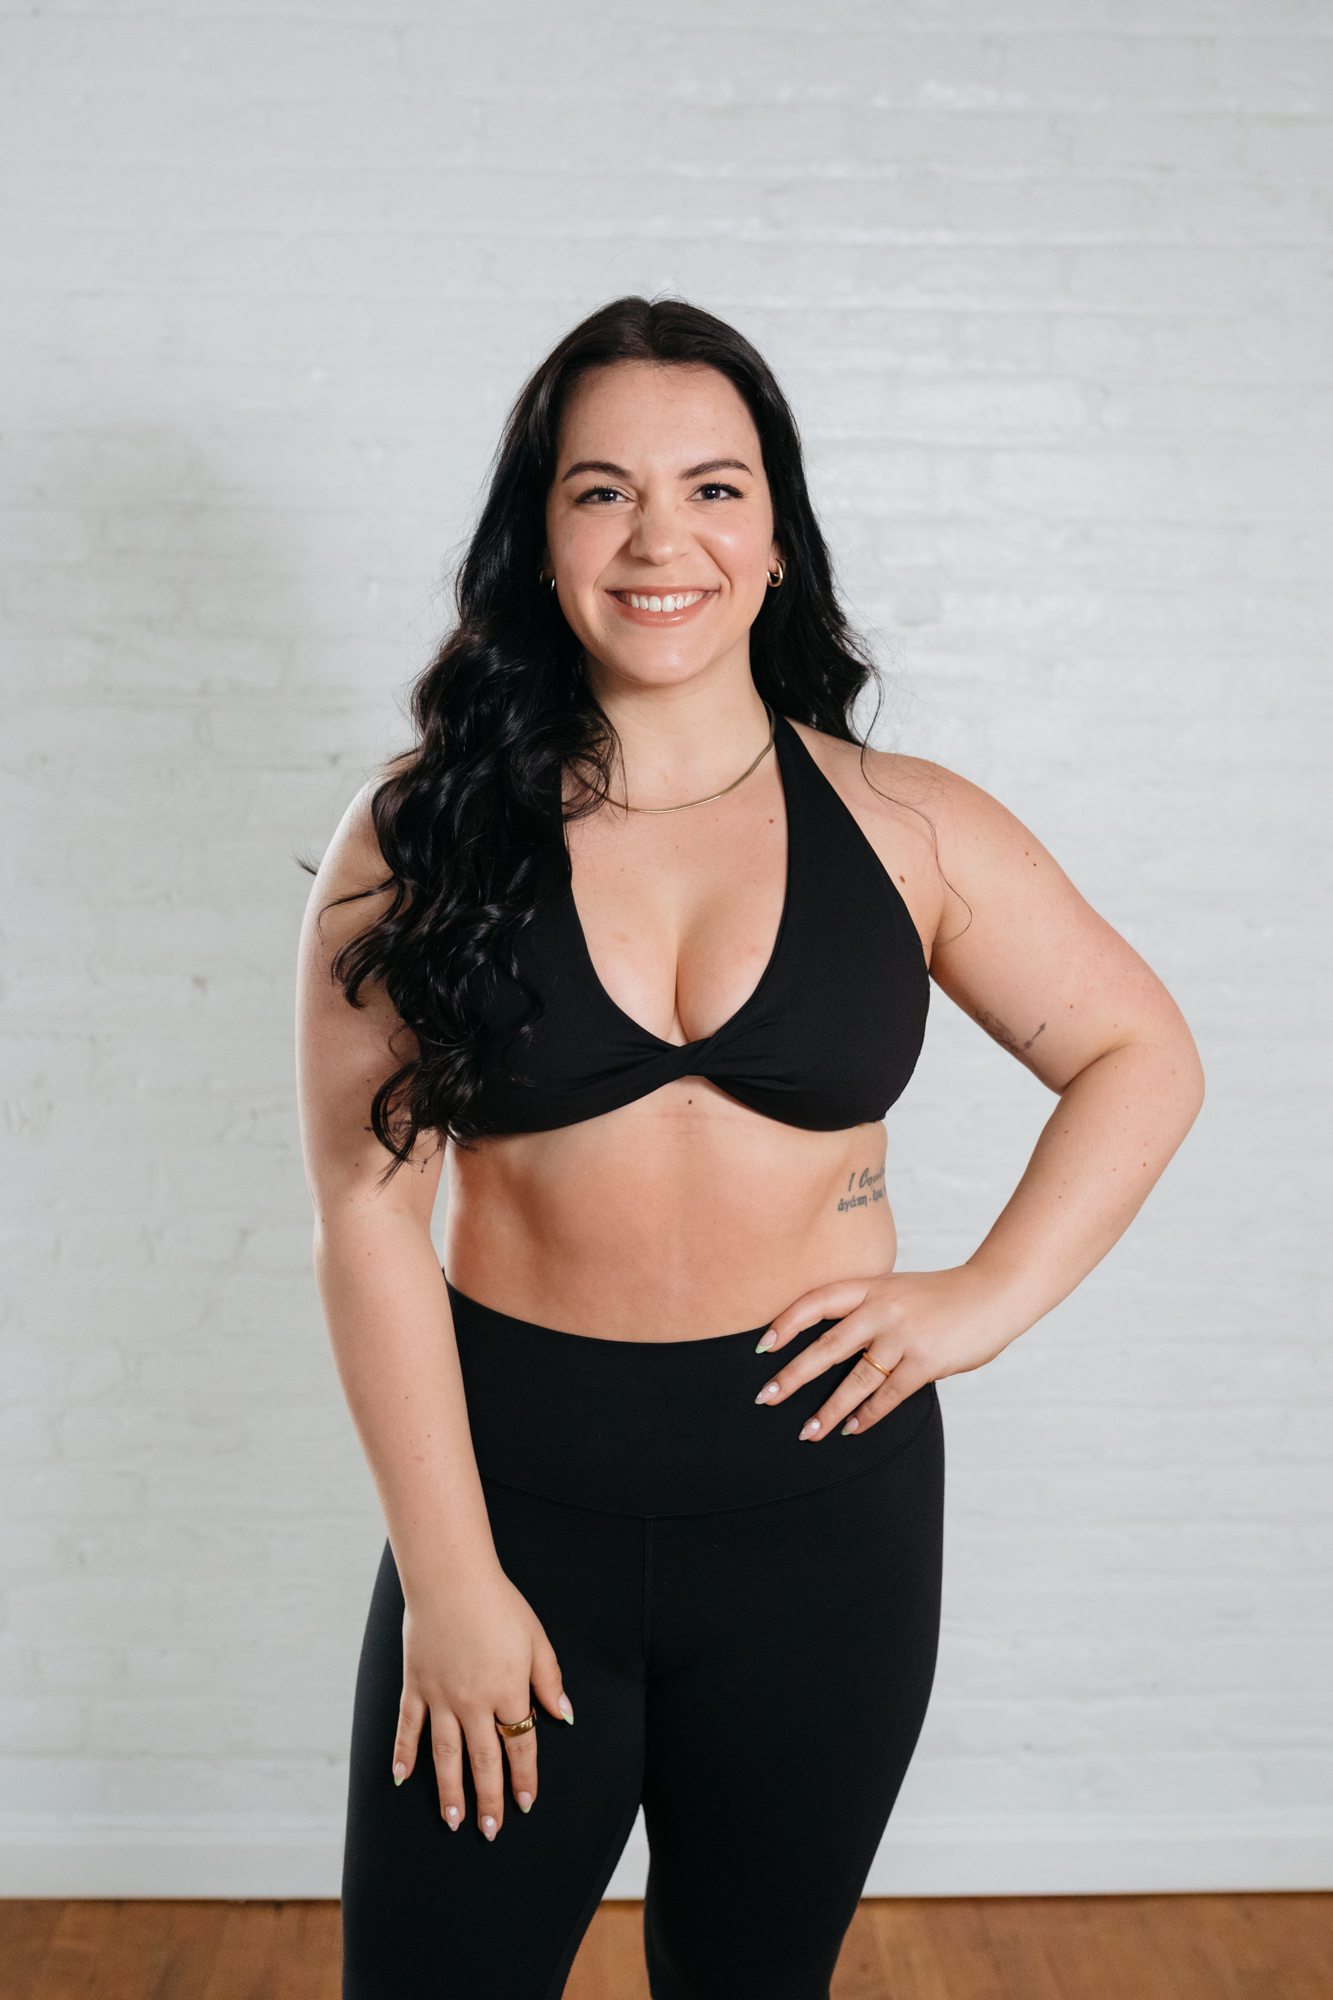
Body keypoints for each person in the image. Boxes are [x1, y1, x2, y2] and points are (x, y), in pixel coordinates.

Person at [295, 297, 1204, 2000]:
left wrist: (985, 1297)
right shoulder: (420, 831)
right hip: (513, 1510)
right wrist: (449, 1577)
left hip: (826, 1527)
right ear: (538, 536)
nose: (662, 540)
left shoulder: (909, 823)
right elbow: (364, 1217)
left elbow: (1138, 1053)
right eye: (601, 492)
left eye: (713, 489)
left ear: (776, 537)